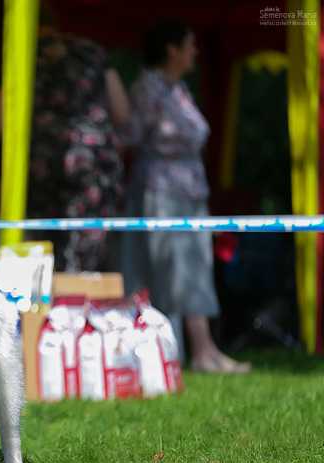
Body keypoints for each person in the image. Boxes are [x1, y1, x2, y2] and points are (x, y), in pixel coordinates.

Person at [120, 20, 250, 374]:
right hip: (159, 189)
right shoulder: (147, 87)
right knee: (167, 271)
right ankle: (170, 353)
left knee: (195, 268)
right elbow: (131, 134)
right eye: (190, 45)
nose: (195, 52)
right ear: (171, 50)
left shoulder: (178, 89)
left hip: (190, 188)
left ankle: (205, 350)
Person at [27, 29, 130, 272]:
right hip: (94, 163)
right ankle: (78, 301)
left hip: (44, 163)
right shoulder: (92, 52)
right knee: (87, 254)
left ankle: (45, 304)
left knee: (42, 251)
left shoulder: (24, 53)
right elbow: (122, 112)